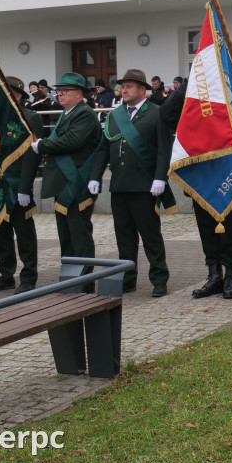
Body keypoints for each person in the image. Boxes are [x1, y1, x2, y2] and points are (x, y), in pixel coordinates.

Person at [161, 83, 232, 300]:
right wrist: (190, 85)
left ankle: (230, 277)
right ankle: (214, 275)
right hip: (202, 184)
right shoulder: (197, 110)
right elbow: (167, 115)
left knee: (229, 233)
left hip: (229, 183)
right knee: (207, 231)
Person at [88, 69, 175, 297]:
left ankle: (159, 279)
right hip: (120, 185)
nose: (123, 90)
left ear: (142, 90)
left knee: (150, 236)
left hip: (145, 186)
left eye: (129, 86)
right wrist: (95, 177)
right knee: (124, 237)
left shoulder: (156, 113)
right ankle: (128, 278)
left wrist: (160, 177)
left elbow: (164, 149)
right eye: (122, 86)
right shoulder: (115, 115)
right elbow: (103, 149)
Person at [32, 72, 102, 280]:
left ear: (79, 93)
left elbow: (72, 141)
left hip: (76, 182)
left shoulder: (84, 113)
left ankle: (84, 280)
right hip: (64, 182)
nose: (59, 94)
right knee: (66, 235)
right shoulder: (68, 112)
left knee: (79, 235)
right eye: (58, 91)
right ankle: (70, 277)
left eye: (65, 91)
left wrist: (42, 145)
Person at [0, 77, 43, 294]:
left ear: (17, 95)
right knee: (1, 233)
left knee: (24, 232)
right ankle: (6, 275)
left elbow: (31, 155)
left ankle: (29, 276)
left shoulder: (31, 117)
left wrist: (25, 186)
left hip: (18, 182)